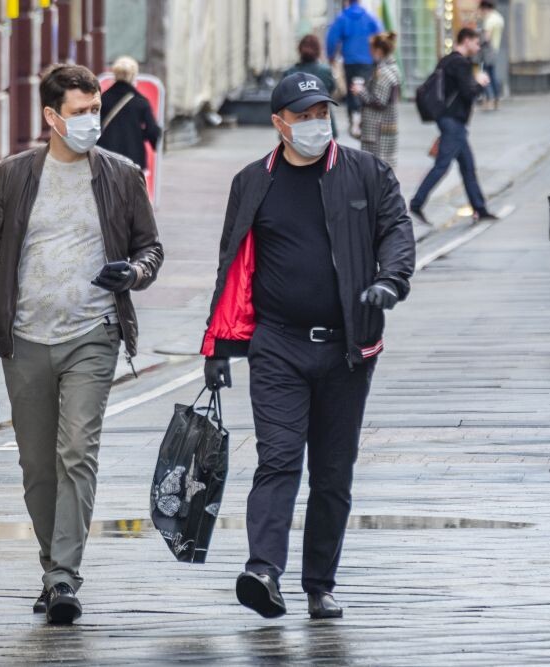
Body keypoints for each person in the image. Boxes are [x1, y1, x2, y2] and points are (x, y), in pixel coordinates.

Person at [0, 64, 163, 625]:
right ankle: (53, 566)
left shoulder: (122, 175)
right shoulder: (14, 177)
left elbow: (151, 248)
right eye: (80, 113)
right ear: (52, 117)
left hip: (93, 334)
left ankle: (63, 578)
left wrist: (134, 273)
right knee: (37, 465)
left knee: (76, 450)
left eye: (95, 110)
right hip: (25, 337)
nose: (91, 121)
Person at [201, 72, 414, 620]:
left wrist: (390, 280)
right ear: (279, 124)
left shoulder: (366, 173)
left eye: (324, 113)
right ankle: (263, 570)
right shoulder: (253, 181)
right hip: (277, 345)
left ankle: (319, 583)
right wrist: (219, 347)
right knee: (277, 457)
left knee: (333, 472)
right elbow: (233, 266)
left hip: (347, 347)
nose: (318, 124)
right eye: (305, 116)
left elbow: (396, 230)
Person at [410, 28, 496, 226]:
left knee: (467, 166)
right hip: (453, 121)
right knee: (442, 165)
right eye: (475, 43)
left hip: (447, 119)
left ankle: (480, 208)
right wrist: (480, 83)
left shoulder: (446, 60)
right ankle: (417, 202)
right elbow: (468, 93)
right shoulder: (461, 63)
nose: (477, 48)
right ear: (465, 40)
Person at [326, 0, 382, 139]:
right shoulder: (369, 17)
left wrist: (331, 55)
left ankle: (354, 119)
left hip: (350, 61)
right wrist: (378, 56)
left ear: (347, 2)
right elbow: (380, 35)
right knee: (366, 89)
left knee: (353, 90)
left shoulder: (342, 18)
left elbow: (332, 38)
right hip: (368, 61)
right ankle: (366, 118)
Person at [97, 56, 162, 171]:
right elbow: (152, 131)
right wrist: (140, 134)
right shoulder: (141, 102)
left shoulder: (102, 100)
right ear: (133, 76)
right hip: (133, 157)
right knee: (131, 188)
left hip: (105, 157)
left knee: (107, 188)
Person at [356, 31, 401, 166]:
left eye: (371, 48)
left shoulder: (383, 73)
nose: (369, 52)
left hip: (377, 130)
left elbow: (379, 102)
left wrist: (361, 92)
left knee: (375, 168)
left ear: (379, 51)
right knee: (384, 167)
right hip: (386, 128)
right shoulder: (393, 68)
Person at [285, 34, 339, 138]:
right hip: (323, 122)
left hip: (297, 123)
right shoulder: (326, 71)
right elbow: (331, 89)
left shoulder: (290, 73)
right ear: (318, 50)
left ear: (299, 50)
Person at [479, 0, 506, 110]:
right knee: (493, 75)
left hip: (487, 51)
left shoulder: (489, 20)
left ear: (485, 8)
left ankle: (489, 99)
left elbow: (486, 37)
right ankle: (497, 99)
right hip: (495, 49)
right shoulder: (499, 18)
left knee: (485, 75)